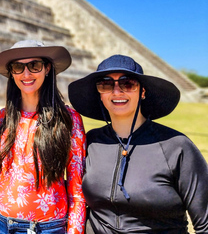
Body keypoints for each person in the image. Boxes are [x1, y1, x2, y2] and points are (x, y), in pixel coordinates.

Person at [68, 54, 208, 233]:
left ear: (142, 92)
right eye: (106, 84)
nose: (117, 92)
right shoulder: (90, 142)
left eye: (128, 84)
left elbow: (205, 223)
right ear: (100, 94)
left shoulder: (176, 146)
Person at [0, 40, 86, 234]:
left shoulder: (69, 120)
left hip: (45, 228)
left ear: (47, 68)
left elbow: (77, 192)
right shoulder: (3, 116)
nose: (26, 74)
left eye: (34, 65)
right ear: (11, 72)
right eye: (18, 67)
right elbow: (8, 175)